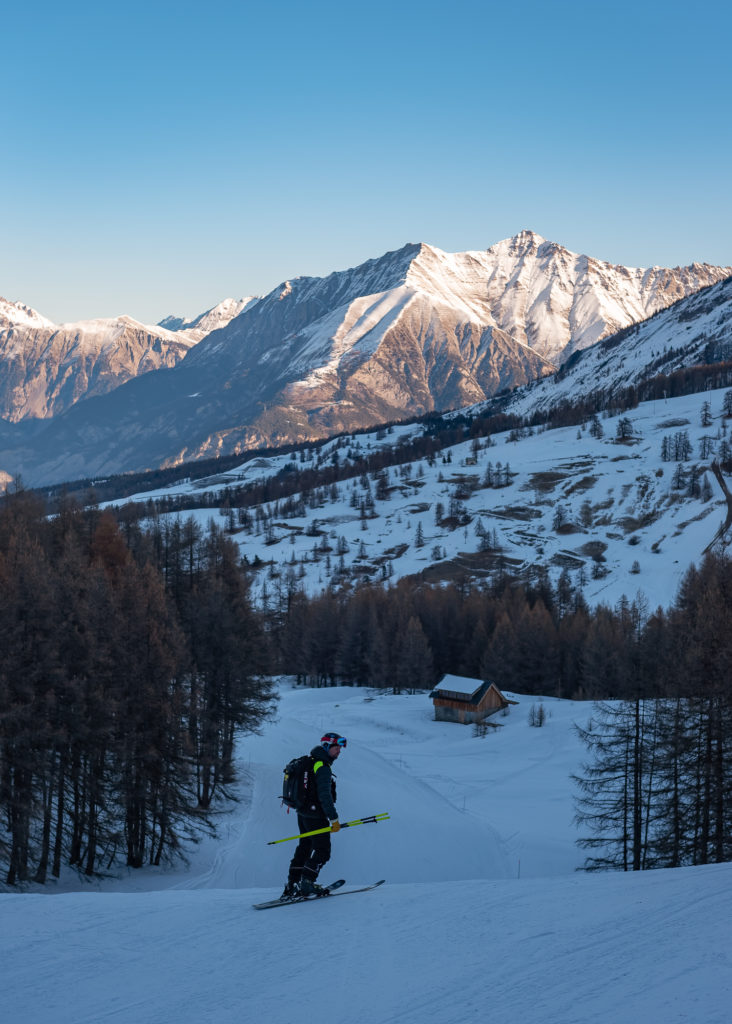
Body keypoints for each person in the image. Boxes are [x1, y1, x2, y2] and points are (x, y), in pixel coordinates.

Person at [281, 732, 346, 898]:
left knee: (305, 847)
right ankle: (307, 882)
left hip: (303, 812)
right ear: (327, 746)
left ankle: (293, 883)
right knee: (323, 851)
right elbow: (325, 795)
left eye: (340, 747)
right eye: (337, 747)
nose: (339, 751)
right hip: (316, 815)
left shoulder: (312, 761)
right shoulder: (322, 766)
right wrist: (334, 819)